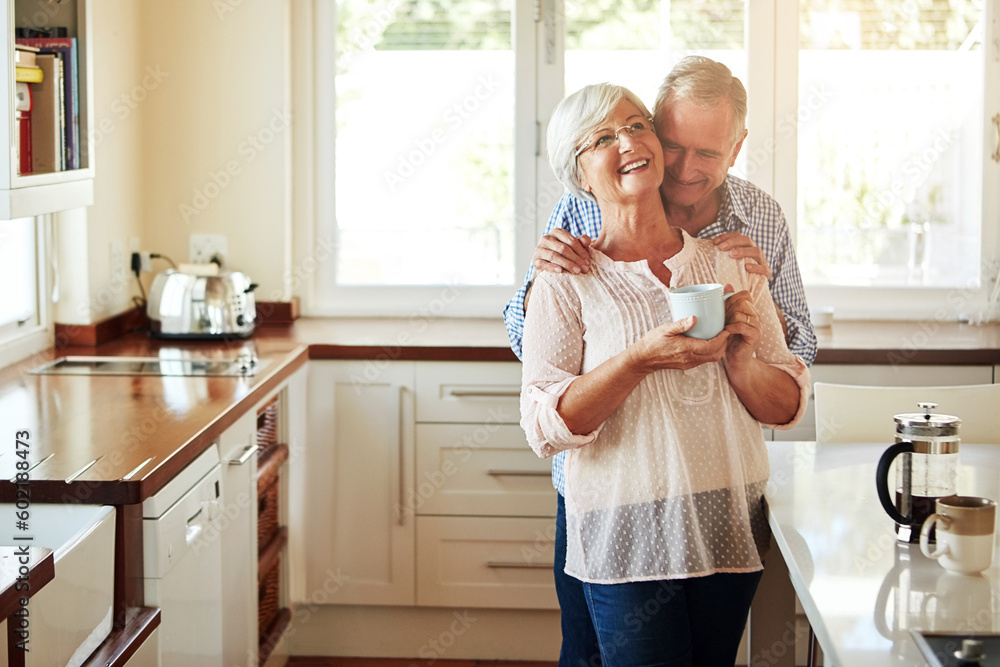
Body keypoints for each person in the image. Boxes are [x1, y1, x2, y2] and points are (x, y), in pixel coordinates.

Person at [504, 56, 817, 667]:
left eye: (708, 152)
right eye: (673, 144)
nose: (685, 167)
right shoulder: (578, 223)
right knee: (591, 655)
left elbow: (793, 357)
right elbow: (536, 353)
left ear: (737, 146)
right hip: (612, 496)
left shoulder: (753, 229)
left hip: (718, 493)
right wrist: (630, 348)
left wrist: (752, 313)